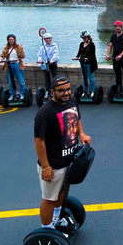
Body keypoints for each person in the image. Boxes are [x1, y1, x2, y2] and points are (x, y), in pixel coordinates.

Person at [33, 75, 91, 229]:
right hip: (54, 165)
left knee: (61, 192)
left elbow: (77, 119)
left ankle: (56, 219)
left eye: (68, 89)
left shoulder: (71, 102)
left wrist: (82, 134)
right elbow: (39, 141)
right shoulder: (45, 112)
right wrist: (46, 167)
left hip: (69, 160)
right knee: (49, 198)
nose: (66, 93)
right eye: (61, 91)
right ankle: (46, 230)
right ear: (52, 91)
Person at [105, 20, 123, 95]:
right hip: (115, 59)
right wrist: (108, 55)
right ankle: (118, 89)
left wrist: (120, 55)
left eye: (119, 26)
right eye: (117, 26)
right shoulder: (113, 36)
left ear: (121, 28)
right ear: (115, 28)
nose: (118, 28)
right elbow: (110, 46)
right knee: (117, 75)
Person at [0, 34, 26, 101]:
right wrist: (0, 59)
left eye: (12, 39)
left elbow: (23, 56)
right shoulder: (6, 48)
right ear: (8, 40)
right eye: (10, 40)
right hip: (9, 65)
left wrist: (21, 51)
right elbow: (2, 55)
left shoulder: (18, 47)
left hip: (17, 64)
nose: (11, 41)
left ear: (14, 40)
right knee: (11, 81)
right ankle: (12, 94)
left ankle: (22, 94)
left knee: (21, 81)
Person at [74, 31, 98, 96]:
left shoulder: (91, 44)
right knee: (84, 77)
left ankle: (93, 90)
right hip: (82, 62)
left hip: (90, 63)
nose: (84, 39)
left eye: (85, 38)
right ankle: (85, 90)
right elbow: (79, 52)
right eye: (83, 38)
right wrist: (76, 57)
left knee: (91, 77)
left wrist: (88, 59)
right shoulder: (81, 44)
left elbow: (93, 55)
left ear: (88, 37)